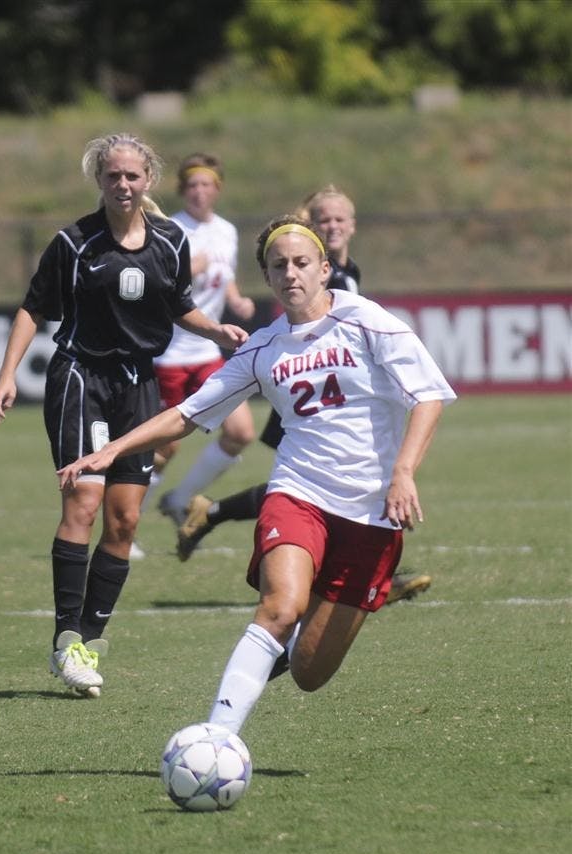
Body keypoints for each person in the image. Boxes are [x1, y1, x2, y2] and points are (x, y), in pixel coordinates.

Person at [57, 214, 456, 734]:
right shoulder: (263, 347)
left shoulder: (366, 320)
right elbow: (188, 414)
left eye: (301, 262)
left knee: (309, 672)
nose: (290, 273)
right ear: (266, 277)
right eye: (278, 265)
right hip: (298, 493)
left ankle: (284, 654)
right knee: (280, 607)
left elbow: (428, 395)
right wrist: (113, 450)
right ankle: (216, 737)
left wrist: (403, 472)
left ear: (324, 269)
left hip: (372, 512)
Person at [0, 133, 248, 698]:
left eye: (132, 176)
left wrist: (217, 331)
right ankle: (65, 641)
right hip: (82, 377)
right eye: (113, 176)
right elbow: (34, 308)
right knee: (84, 501)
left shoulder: (170, 240)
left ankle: (88, 641)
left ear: (148, 179)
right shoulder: (74, 242)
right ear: (99, 180)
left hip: (139, 384)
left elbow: (179, 306)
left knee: (126, 519)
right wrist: (7, 375)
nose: (123, 185)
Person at [176, 186, 431, 605]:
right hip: (309, 389)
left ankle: (215, 513)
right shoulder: (324, 275)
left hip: (327, 385)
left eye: (339, 219)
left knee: (307, 483)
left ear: (352, 225)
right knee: (305, 484)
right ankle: (356, 573)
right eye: (323, 219)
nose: (332, 225)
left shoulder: (347, 271)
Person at [133, 153, 256, 557]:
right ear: (182, 191)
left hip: (207, 352)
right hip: (169, 355)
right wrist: (188, 268)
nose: (198, 192)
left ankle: (179, 499)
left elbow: (225, 275)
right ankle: (125, 531)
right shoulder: (169, 230)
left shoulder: (227, 231)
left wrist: (236, 300)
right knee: (164, 448)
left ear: (217, 189)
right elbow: (152, 285)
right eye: (191, 185)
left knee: (240, 432)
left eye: (206, 185)